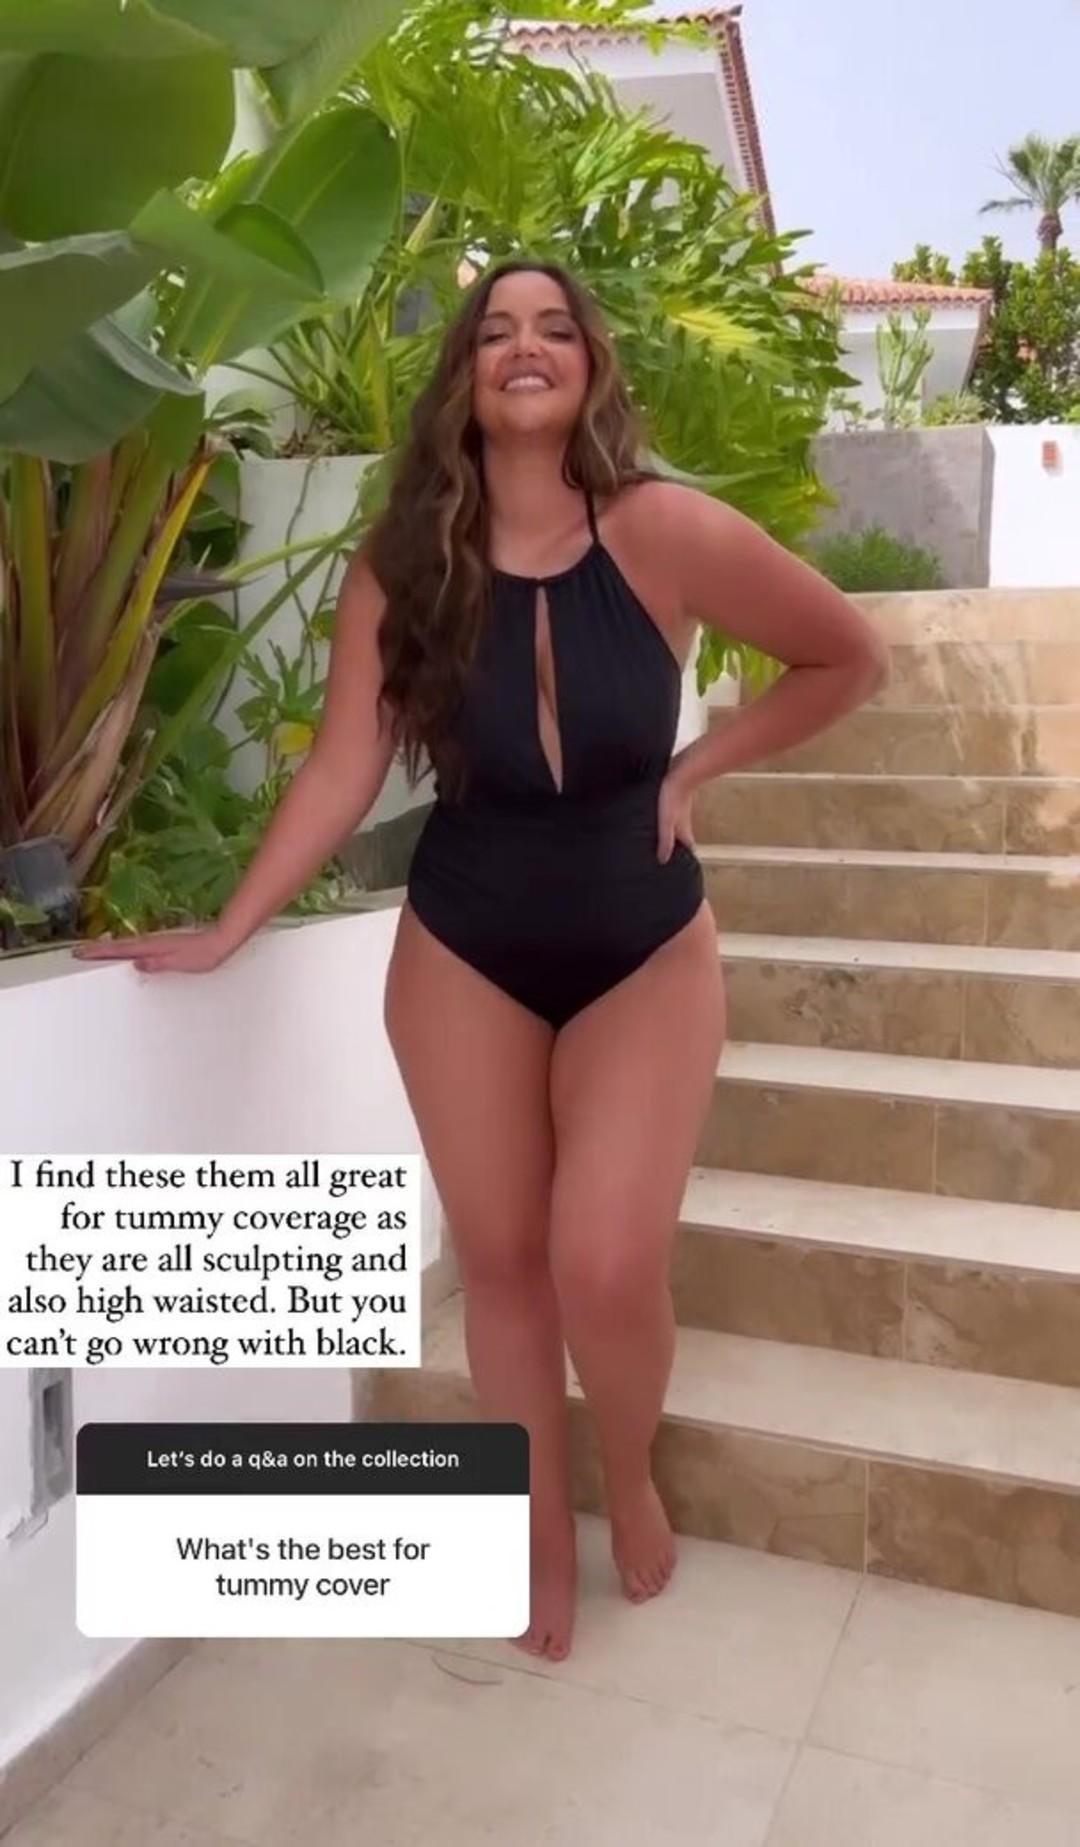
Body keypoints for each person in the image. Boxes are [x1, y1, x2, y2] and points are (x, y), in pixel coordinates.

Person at [74, 260, 889, 1662]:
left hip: (643, 939)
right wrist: (230, 927)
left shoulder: (665, 528)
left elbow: (846, 656)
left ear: (590, 366)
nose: (526, 347)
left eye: (555, 328)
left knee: (606, 1263)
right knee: (506, 1265)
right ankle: (533, 1534)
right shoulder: (402, 570)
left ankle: (625, 1466)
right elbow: (344, 767)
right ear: (462, 375)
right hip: (466, 939)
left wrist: (697, 768)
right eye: (497, 330)